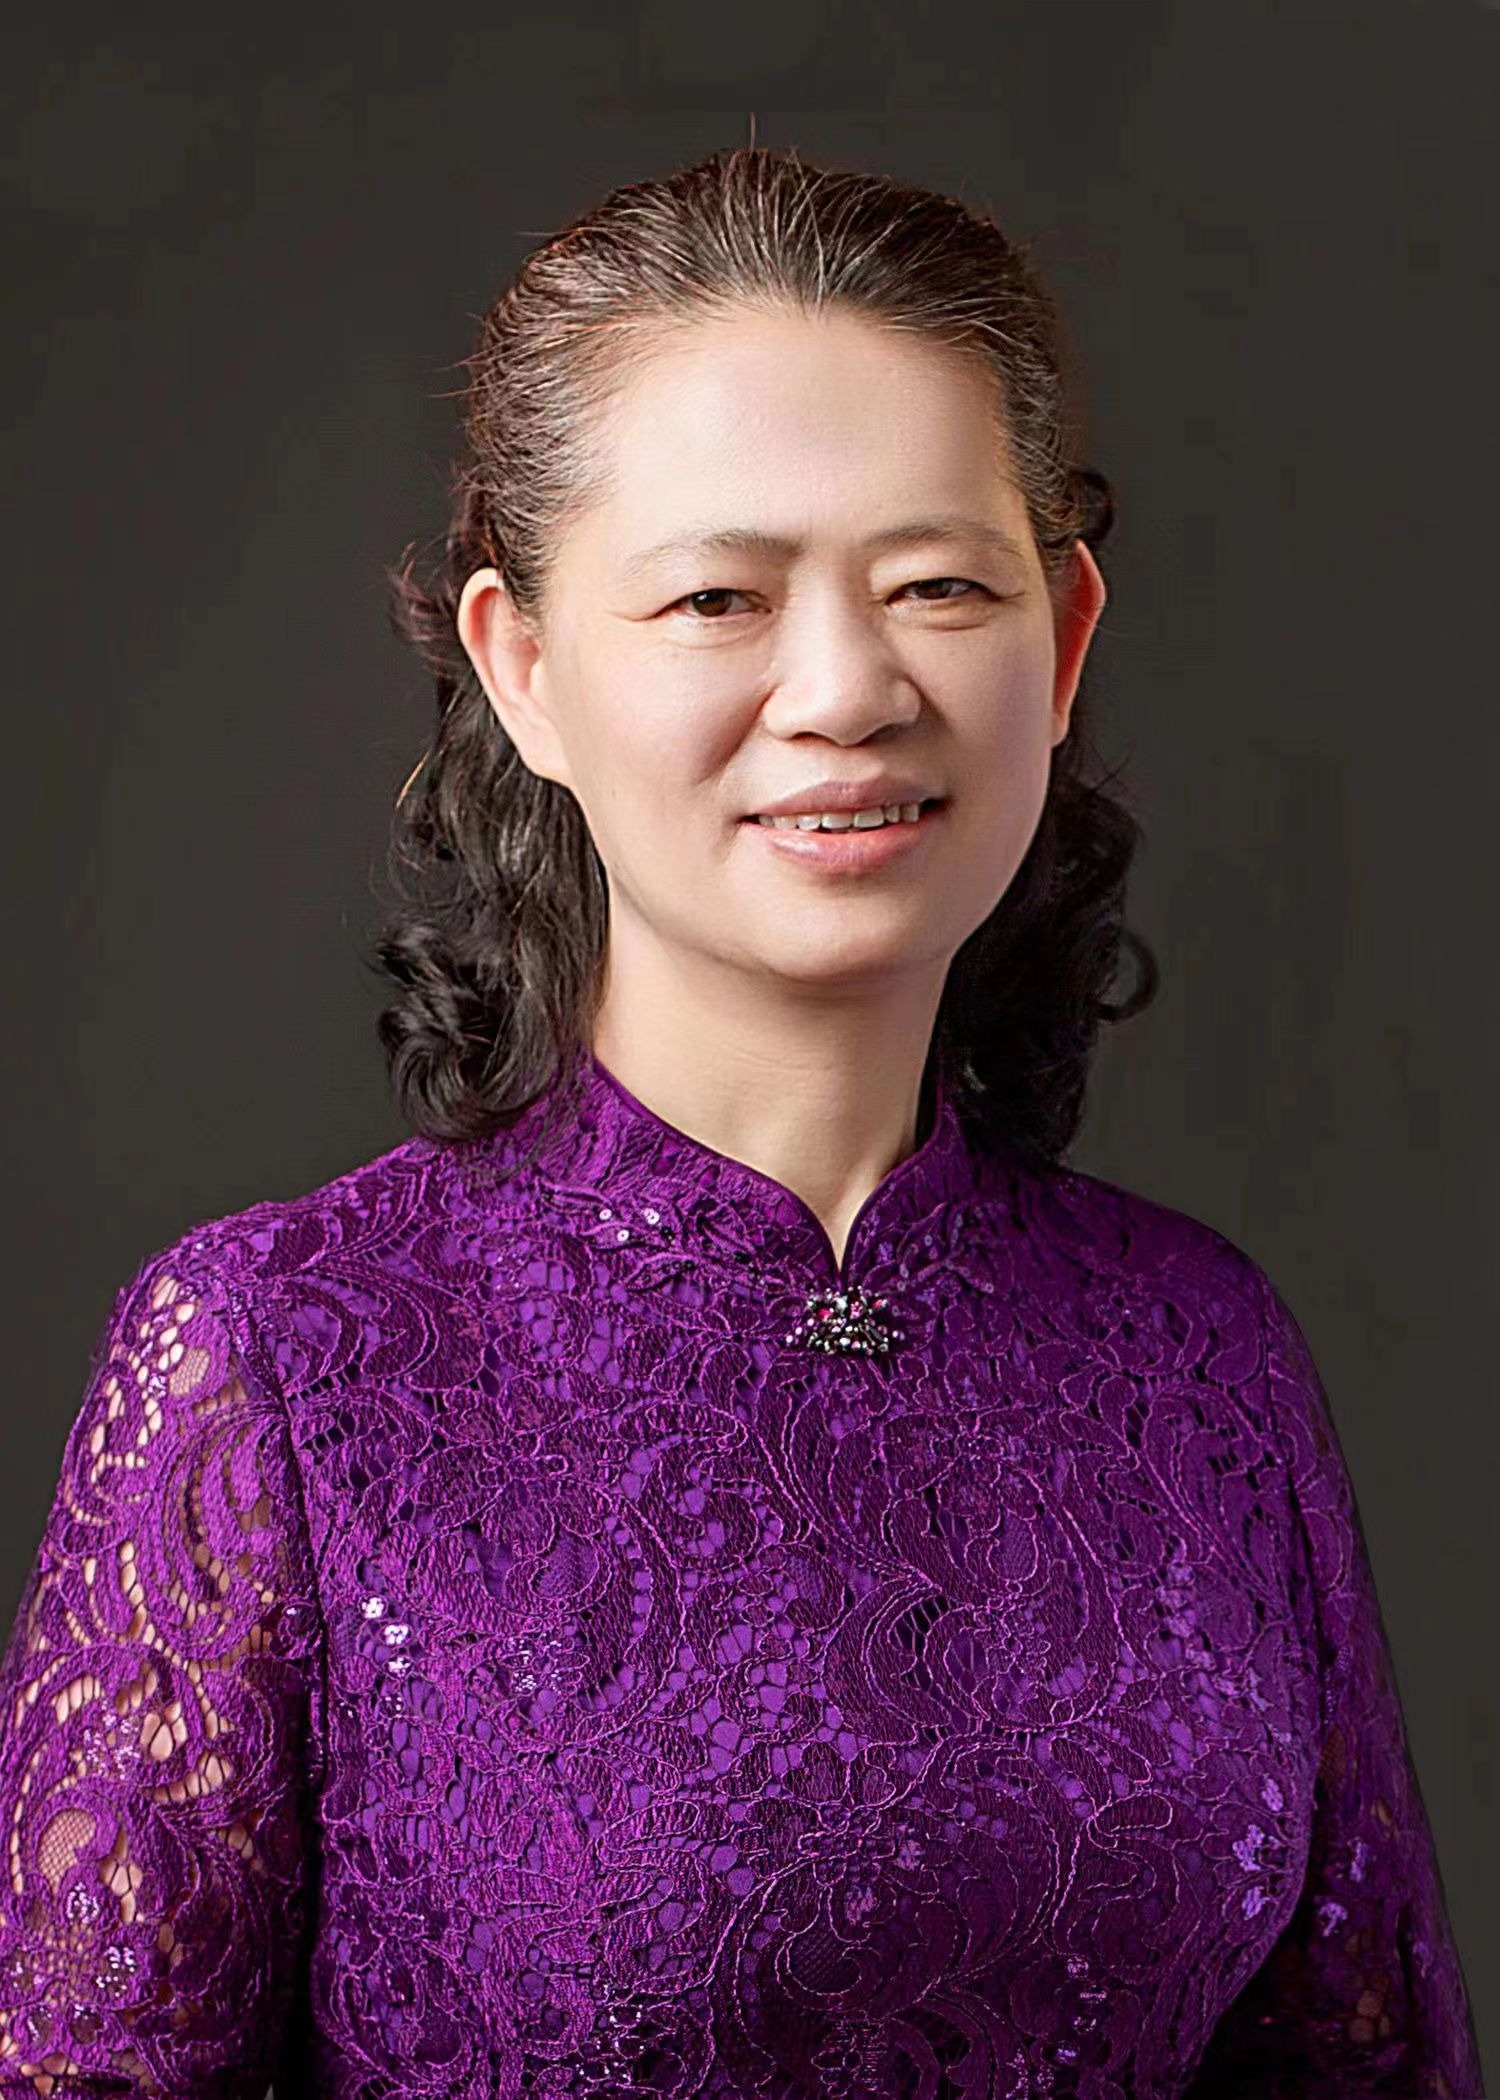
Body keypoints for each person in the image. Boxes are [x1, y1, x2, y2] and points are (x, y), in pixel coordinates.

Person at [0, 144, 1482, 2100]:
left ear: (1064, 643)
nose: (848, 689)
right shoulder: (279, 1359)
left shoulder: (1206, 1350)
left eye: (939, 585)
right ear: (523, 669)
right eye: (718, 596)